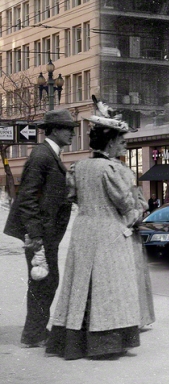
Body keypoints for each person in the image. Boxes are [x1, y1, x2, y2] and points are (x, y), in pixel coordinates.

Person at [46, 107, 152, 360]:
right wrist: (139, 207)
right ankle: (105, 343)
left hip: (83, 232)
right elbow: (127, 205)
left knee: (81, 284)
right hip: (110, 233)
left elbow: (72, 197)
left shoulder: (77, 167)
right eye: (122, 142)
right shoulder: (115, 170)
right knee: (111, 287)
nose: (124, 147)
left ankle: (74, 340)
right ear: (112, 141)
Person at [3, 109, 76, 348]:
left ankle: (35, 330)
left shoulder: (50, 155)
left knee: (46, 281)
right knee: (43, 281)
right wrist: (35, 235)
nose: (72, 134)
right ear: (54, 130)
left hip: (46, 232)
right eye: (68, 129)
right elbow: (27, 198)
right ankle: (33, 334)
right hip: (39, 234)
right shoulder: (42, 155)